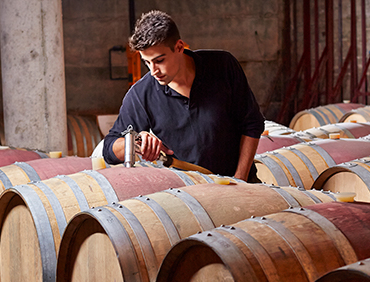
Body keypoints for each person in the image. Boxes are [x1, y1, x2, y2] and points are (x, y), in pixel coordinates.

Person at [102, 10, 264, 182]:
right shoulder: (141, 94)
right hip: (188, 198)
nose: (153, 71)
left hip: (242, 186)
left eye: (159, 60)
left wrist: (240, 180)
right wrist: (136, 141)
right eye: (147, 62)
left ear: (179, 47)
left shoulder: (223, 66)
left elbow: (252, 124)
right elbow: (109, 149)